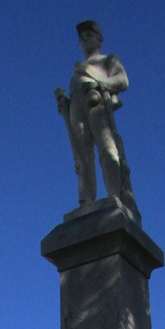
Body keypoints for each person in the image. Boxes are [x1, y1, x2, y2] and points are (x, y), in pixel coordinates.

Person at [55, 20, 139, 217]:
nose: (84, 40)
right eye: (81, 38)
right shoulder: (75, 74)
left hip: (96, 101)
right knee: (82, 156)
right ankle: (86, 200)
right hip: (77, 106)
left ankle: (115, 195)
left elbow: (122, 80)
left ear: (99, 39)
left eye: (89, 36)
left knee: (107, 148)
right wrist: (64, 104)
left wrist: (101, 83)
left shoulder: (107, 60)